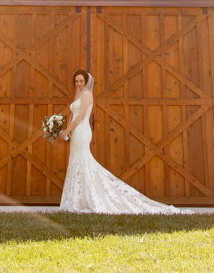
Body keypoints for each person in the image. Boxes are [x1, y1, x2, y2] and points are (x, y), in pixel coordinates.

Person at [58, 69, 185, 214]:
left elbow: (80, 116)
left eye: (81, 81)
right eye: (76, 81)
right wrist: (66, 131)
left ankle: (89, 198)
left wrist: (68, 131)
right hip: (75, 132)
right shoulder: (78, 94)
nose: (79, 84)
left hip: (82, 131)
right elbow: (73, 114)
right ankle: (77, 199)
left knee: (82, 160)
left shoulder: (86, 94)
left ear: (86, 82)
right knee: (76, 160)